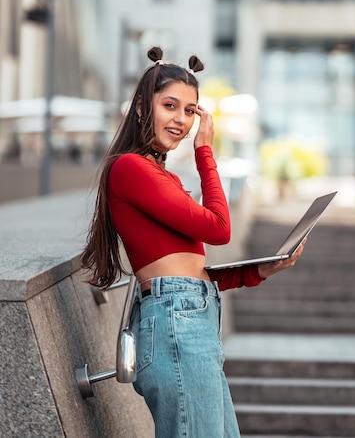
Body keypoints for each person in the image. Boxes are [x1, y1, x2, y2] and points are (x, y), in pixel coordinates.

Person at [81, 46, 305, 438]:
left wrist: (257, 270)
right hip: (176, 322)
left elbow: (190, 270)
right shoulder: (130, 168)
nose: (181, 120)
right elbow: (218, 228)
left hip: (189, 318)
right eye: (170, 105)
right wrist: (205, 151)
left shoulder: (161, 176)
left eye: (190, 110)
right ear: (140, 108)